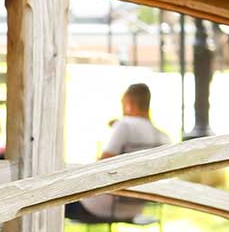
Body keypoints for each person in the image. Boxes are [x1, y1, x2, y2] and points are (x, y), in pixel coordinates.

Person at [69, 83, 173, 221]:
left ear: (129, 103)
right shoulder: (163, 137)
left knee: (52, 200)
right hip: (136, 207)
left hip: (104, 206)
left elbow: (102, 164)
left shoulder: (125, 125)